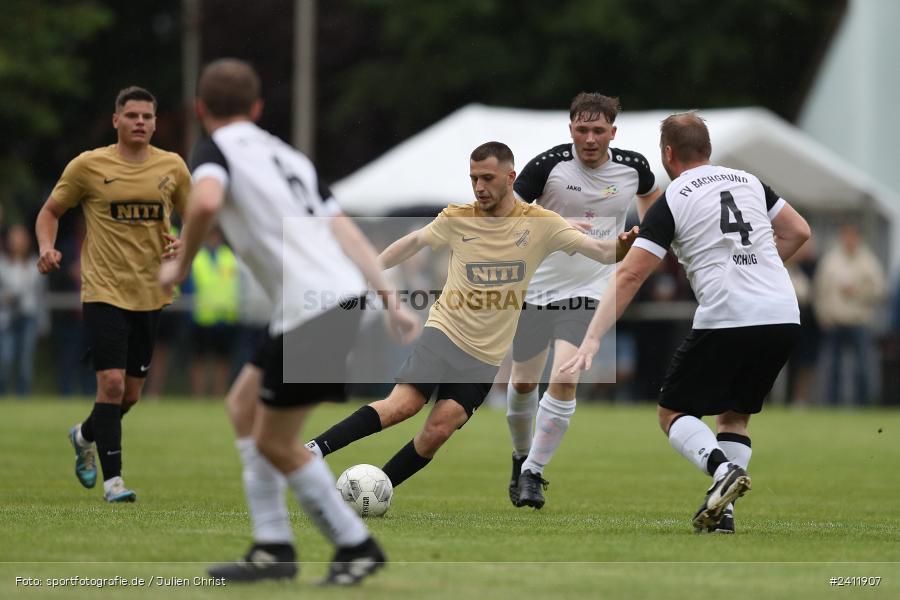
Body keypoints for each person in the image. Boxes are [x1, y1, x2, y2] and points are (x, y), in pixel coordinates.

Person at [158, 58, 419, 586]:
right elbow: (345, 230)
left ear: (200, 109)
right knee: (241, 407)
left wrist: (179, 264)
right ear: (256, 108)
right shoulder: (287, 155)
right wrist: (390, 297)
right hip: (323, 303)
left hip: (313, 309)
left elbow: (205, 199)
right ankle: (272, 546)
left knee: (277, 442)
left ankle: (356, 545)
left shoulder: (214, 149)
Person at [304, 141, 638, 494]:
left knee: (437, 431)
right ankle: (314, 450)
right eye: (474, 178)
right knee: (402, 405)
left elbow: (601, 252)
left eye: (487, 178)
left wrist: (622, 246)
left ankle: (377, 489)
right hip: (444, 333)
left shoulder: (541, 224)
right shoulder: (457, 217)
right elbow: (413, 242)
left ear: (510, 177)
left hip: (485, 357)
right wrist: (365, 273)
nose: (479, 187)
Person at [560, 112, 811, 533]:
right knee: (733, 417)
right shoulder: (748, 181)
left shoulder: (674, 197)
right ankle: (723, 515)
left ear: (668, 154)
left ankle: (721, 472)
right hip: (783, 313)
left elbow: (630, 274)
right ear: (708, 150)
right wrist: (757, 271)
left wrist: (591, 339)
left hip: (731, 316)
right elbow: (798, 231)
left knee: (672, 411)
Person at [505, 92, 661, 509]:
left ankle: (534, 473)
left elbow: (651, 195)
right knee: (522, 382)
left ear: (613, 131)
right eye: (581, 129)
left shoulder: (633, 167)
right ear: (570, 128)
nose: (590, 138)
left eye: (598, 130)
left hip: (591, 288)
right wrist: (556, 226)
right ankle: (520, 460)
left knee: (567, 374)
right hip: (536, 287)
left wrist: (646, 238)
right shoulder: (547, 165)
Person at [35, 86, 189, 502]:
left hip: (152, 293)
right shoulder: (89, 165)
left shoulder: (172, 167)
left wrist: (184, 241)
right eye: (132, 115)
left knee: (130, 394)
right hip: (103, 291)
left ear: (156, 123)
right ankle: (114, 482)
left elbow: (197, 219)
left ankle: (84, 435)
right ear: (116, 120)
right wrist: (46, 247)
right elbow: (50, 211)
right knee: (113, 385)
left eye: (147, 116)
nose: (140, 122)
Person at [813, 223, 886, 406]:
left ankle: (863, 404)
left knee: (862, 367)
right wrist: (823, 316)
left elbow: (880, 291)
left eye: (853, 236)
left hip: (859, 321)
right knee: (833, 368)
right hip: (835, 322)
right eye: (847, 236)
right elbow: (820, 291)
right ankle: (832, 405)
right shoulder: (831, 260)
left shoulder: (869, 262)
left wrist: (859, 292)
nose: (850, 240)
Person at [0, 224, 45, 396]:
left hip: (28, 317)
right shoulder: (2, 263)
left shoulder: (36, 264)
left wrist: (43, 324)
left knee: (26, 359)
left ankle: (23, 395)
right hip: (6, 318)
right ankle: (3, 394)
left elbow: (40, 297)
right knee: (6, 358)